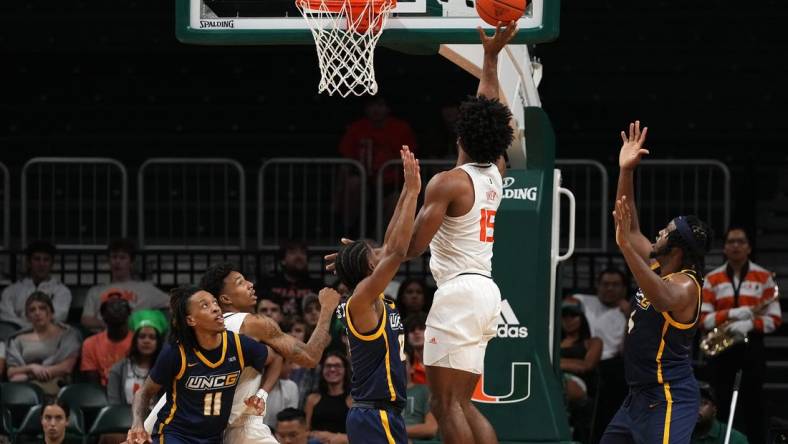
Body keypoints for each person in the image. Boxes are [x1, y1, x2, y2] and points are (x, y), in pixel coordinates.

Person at [601, 121, 713, 442]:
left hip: (668, 396)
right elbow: (630, 225)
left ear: (677, 249)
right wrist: (626, 171)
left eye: (665, 232)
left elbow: (662, 297)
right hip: (638, 396)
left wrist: (624, 247)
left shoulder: (686, 285)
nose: (659, 233)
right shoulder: (656, 263)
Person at [144, 263, 341, 443]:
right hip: (227, 428)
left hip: (180, 423)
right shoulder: (252, 323)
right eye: (240, 282)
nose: (250, 284)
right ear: (225, 298)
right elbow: (310, 357)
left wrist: (262, 394)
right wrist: (327, 310)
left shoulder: (202, 328)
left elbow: (276, 357)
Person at [331, 146, 421, 444]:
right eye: (375, 253)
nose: (381, 252)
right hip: (375, 415)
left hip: (381, 414)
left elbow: (391, 242)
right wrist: (412, 192)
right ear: (371, 265)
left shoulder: (367, 297)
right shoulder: (361, 299)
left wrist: (408, 192)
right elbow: (395, 249)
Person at [126, 285, 274, 444]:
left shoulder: (238, 345)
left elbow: (276, 358)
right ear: (191, 320)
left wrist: (262, 393)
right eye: (205, 305)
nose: (216, 308)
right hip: (176, 435)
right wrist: (137, 424)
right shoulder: (176, 352)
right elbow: (144, 392)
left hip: (214, 438)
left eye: (215, 303)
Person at [700, 227, 780, 444]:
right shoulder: (712, 278)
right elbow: (703, 318)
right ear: (724, 247)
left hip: (751, 348)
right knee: (721, 403)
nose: (736, 245)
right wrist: (731, 315)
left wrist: (750, 324)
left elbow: (774, 319)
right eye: (731, 242)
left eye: (741, 241)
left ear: (749, 247)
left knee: (754, 405)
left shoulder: (764, 277)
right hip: (721, 348)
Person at [572, 268, 631, 442]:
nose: (610, 288)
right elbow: (566, 305)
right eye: (605, 284)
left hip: (610, 365)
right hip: (581, 357)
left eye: (615, 285)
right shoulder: (583, 301)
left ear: (624, 289)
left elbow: (625, 350)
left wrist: (629, 316)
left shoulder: (628, 313)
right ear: (597, 286)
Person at [81, 239, 169, 331]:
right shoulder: (96, 291)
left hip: (136, 338)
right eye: (114, 257)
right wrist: (107, 324)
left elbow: (172, 302)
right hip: (104, 337)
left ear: (131, 262)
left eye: (122, 257)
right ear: (109, 261)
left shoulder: (146, 289)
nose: (117, 261)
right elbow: (86, 319)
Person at [6, 291, 82, 396]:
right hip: (25, 390)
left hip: (56, 385)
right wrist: (31, 367)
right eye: (32, 310)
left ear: (51, 312)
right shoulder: (18, 339)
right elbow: (11, 372)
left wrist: (33, 375)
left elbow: (67, 367)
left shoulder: (67, 335)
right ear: (27, 316)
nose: (37, 313)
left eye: (42, 308)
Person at [0, 240, 71, 329]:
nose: (41, 264)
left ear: (52, 264)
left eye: (46, 260)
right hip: (17, 336)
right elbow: (6, 317)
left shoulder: (62, 291)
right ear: (28, 263)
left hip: (50, 339)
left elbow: (58, 317)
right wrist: (27, 328)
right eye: (37, 259)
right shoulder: (11, 290)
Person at [560, 298, 602, 442]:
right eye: (564, 315)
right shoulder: (553, 341)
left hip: (579, 386)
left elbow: (586, 365)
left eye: (573, 315)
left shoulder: (593, 342)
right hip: (552, 380)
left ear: (582, 317)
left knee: (567, 385)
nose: (568, 319)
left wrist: (556, 363)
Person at [107, 310, 167, 405]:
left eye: (152, 337)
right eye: (142, 336)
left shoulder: (166, 370)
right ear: (135, 340)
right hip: (124, 418)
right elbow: (114, 406)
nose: (146, 341)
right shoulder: (118, 369)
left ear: (158, 342)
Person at [81, 292, 133, 386]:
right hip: (102, 395)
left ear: (129, 312)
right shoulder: (90, 344)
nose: (116, 309)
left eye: (120, 305)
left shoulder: (138, 342)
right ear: (102, 314)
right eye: (111, 306)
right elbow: (93, 385)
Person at [264, 240, 324, 317]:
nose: (299, 256)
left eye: (303, 253)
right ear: (283, 260)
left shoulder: (317, 286)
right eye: (292, 252)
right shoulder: (268, 284)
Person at [304, 352, 352, 444]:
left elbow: (357, 433)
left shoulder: (352, 401)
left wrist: (332, 436)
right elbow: (304, 431)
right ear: (322, 370)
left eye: (337, 366)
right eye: (328, 366)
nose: (332, 369)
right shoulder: (312, 399)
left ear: (345, 370)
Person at [403, 356, 438, 441]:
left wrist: (396, 432)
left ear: (411, 368)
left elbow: (431, 428)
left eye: (403, 363)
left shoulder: (424, 391)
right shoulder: (383, 395)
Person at [262, 359, 299, 429]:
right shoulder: (251, 383)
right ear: (277, 363)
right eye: (290, 362)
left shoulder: (291, 387)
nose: (293, 367)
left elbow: (289, 422)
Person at [404, 313, 428, 385]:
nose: (416, 332)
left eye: (421, 328)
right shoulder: (403, 362)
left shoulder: (442, 361)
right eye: (412, 330)